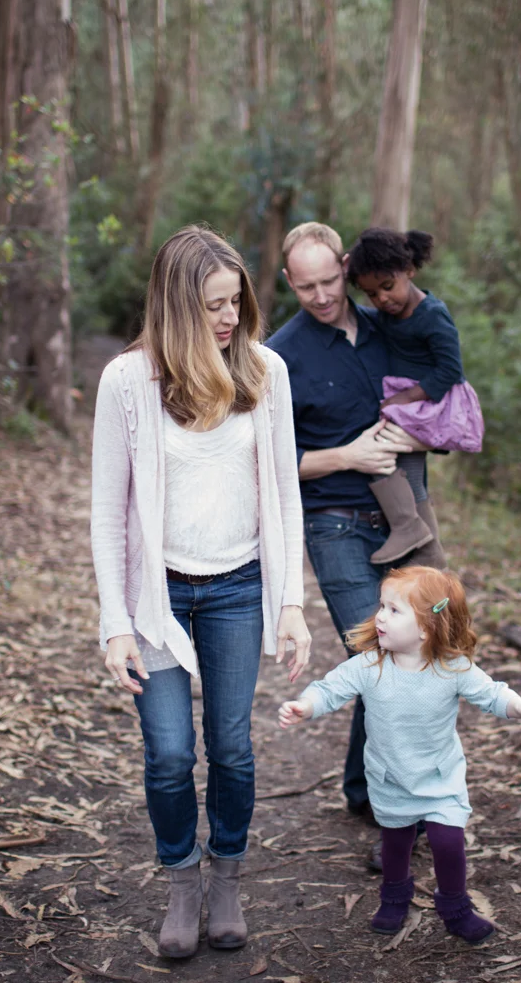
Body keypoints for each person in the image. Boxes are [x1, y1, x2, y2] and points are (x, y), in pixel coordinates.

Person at [90, 225, 312, 959]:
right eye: (213, 305)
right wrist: (115, 621)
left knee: (233, 749)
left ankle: (227, 879)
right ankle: (182, 879)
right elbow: (107, 513)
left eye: (235, 302)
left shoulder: (266, 373)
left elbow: (284, 493)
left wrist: (290, 604)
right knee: (167, 754)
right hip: (157, 598)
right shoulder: (128, 382)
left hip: (238, 591)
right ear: (177, 306)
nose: (228, 318)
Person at [277, 567, 521, 944]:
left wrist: (520, 707)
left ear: (426, 628)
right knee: (396, 841)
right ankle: (394, 898)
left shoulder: (452, 669)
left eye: (393, 610)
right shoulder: (369, 666)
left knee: (448, 841)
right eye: (382, 607)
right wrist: (305, 706)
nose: (380, 617)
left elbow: (491, 692)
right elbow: (330, 688)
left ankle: (455, 908)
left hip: (440, 777)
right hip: (391, 776)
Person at [266, 222, 431, 842]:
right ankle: (397, 812)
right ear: (289, 282)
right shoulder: (279, 355)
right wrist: (348, 455)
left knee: (406, 655)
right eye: (305, 286)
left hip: (405, 516)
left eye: (330, 280)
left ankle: (364, 789)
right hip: (334, 524)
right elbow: (272, 462)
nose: (321, 295)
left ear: (345, 265)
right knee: (383, 656)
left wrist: (427, 432)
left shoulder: (390, 323)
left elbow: (428, 398)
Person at [345, 227, 483, 566]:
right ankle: (423, 553)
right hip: (411, 402)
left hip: (430, 402)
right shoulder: (390, 315)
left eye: (387, 287)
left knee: (380, 450)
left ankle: (420, 543)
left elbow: (451, 369)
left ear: (409, 270)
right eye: (371, 294)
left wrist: (406, 398)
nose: (382, 299)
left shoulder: (432, 315)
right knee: (405, 472)